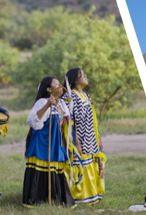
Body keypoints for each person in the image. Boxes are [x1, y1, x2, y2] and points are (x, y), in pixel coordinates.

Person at [23, 76, 75, 207]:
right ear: (48, 89)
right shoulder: (42, 102)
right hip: (43, 144)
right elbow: (33, 122)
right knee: (41, 172)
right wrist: (47, 105)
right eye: (56, 83)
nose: (60, 85)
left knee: (55, 172)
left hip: (56, 145)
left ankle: (56, 200)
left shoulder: (62, 103)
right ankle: (38, 200)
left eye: (59, 83)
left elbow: (67, 127)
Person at [62, 68, 106, 204]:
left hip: (90, 137)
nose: (86, 75)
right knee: (80, 165)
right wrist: (76, 143)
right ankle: (79, 196)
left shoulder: (86, 95)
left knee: (91, 164)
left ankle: (93, 194)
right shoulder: (70, 96)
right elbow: (70, 122)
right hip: (79, 139)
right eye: (82, 75)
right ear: (75, 80)